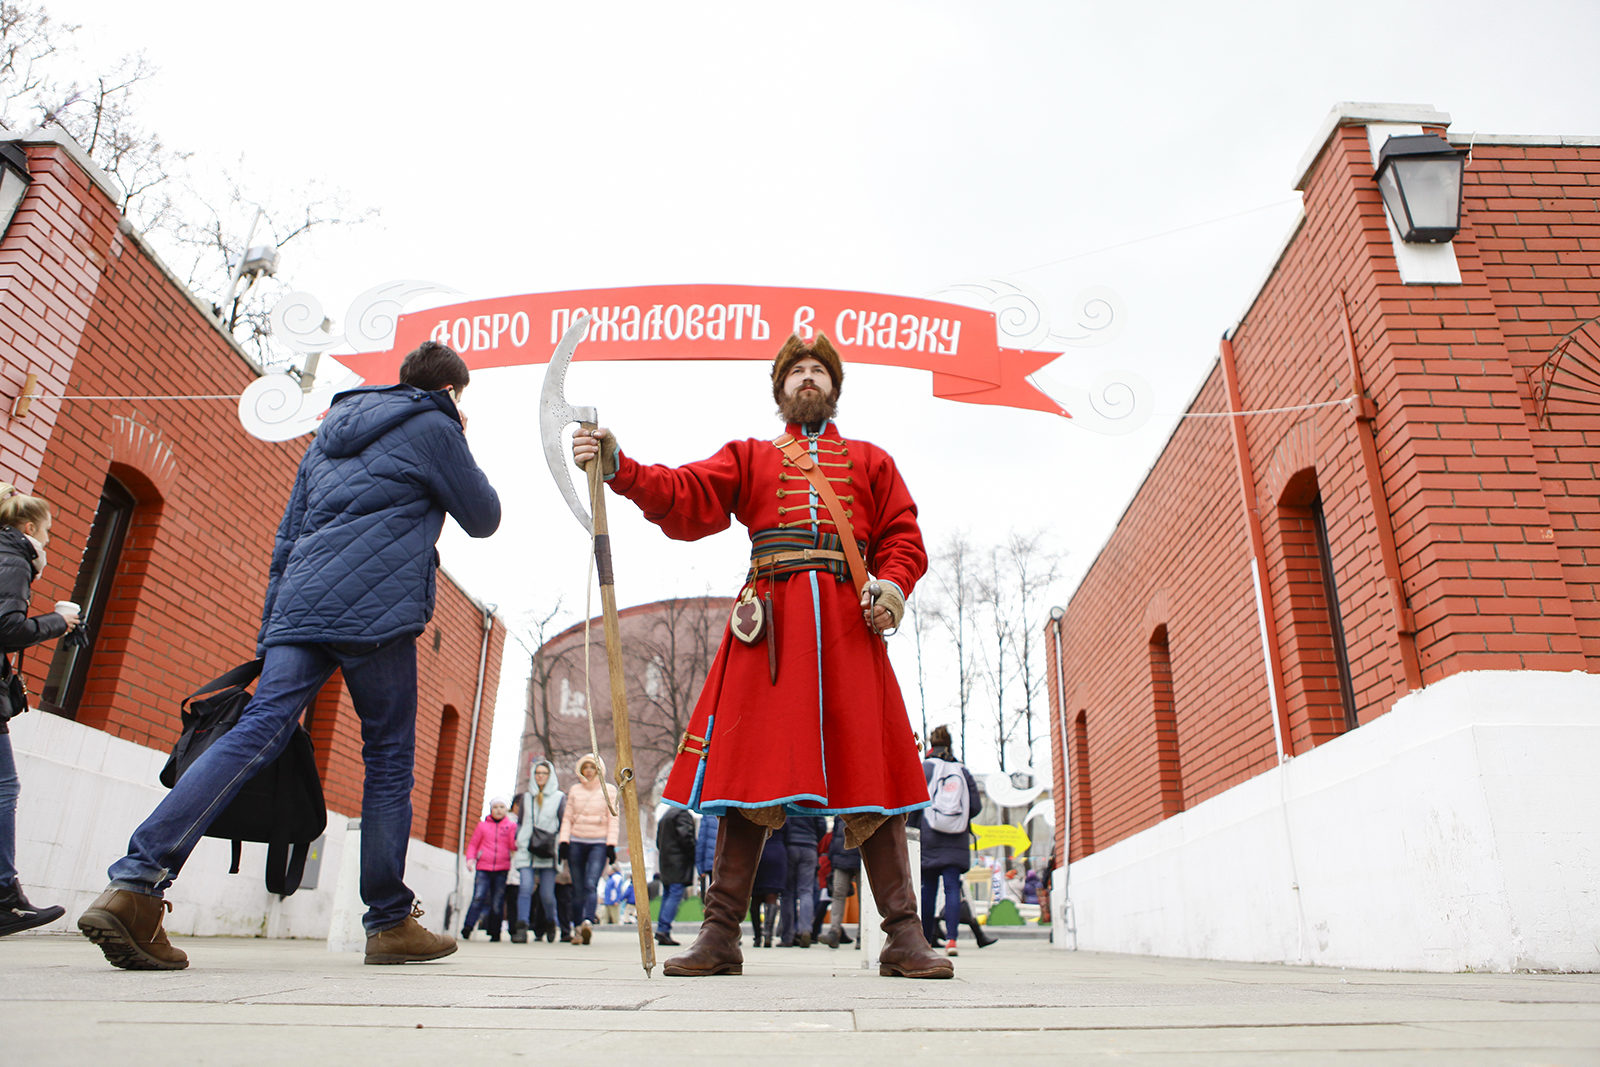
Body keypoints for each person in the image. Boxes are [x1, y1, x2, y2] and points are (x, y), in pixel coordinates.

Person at [79, 341, 501, 970]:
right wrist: (457, 434)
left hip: (300, 604)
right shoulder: (437, 424)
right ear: (449, 391)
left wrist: (272, 625)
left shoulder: (331, 427)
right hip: (377, 610)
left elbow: (288, 531)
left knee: (255, 730)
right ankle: (388, 921)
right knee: (387, 757)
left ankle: (136, 883)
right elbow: (484, 516)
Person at [571, 334, 950, 979]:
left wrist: (891, 586)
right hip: (769, 631)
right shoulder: (750, 457)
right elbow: (687, 494)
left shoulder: (871, 460)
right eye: (796, 371)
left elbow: (901, 535)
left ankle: (904, 935)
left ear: (834, 387)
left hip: (848, 629)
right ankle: (719, 936)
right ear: (780, 391)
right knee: (750, 780)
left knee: (874, 775)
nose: (808, 378)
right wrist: (620, 468)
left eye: (818, 372)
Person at [0, 485, 81, 937]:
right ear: (28, 528)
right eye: (47, 534)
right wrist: (59, 622)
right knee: (4, 789)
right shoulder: (12, 559)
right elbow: (7, 628)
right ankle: (4, 897)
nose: (47, 544)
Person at [920, 725, 981, 957]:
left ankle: (925, 940)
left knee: (928, 889)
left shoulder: (925, 768)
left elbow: (915, 803)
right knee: (952, 887)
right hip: (956, 838)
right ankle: (952, 940)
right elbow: (975, 805)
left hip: (929, 837)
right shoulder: (962, 770)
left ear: (931, 744)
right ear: (950, 744)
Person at [557, 753, 617, 945]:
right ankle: (577, 929)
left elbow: (613, 818)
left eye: (593, 767)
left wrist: (611, 845)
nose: (589, 771)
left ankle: (587, 921)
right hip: (576, 840)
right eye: (586, 767)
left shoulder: (609, 790)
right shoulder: (574, 790)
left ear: (599, 770)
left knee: (591, 883)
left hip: (598, 842)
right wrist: (563, 841)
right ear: (581, 770)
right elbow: (567, 817)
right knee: (577, 888)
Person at [511, 758, 564, 944]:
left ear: (550, 776)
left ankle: (551, 922)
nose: (540, 776)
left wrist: (561, 845)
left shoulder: (559, 798)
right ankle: (522, 928)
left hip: (548, 849)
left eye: (544, 773)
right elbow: (521, 822)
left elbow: (562, 823)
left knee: (547, 894)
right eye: (537, 773)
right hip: (526, 848)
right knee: (525, 888)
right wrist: (519, 840)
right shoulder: (526, 797)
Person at [461, 798, 517, 942]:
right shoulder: (482, 826)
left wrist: (513, 833)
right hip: (483, 867)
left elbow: (513, 846)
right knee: (479, 897)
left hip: (502, 868)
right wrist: (470, 858)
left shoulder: (510, 826)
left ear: (506, 810)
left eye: (502, 807)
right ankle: (468, 926)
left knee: (497, 901)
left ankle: (495, 931)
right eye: (495, 807)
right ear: (491, 810)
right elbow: (473, 844)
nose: (498, 810)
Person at [779, 812, 824, 947]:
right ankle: (805, 930)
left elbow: (781, 821)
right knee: (806, 891)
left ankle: (788, 936)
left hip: (790, 846)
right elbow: (821, 824)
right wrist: (814, 838)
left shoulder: (789, 796)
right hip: (810, 847)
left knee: (788, 894)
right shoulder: (813, 798)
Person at [654, 804, 696, 947]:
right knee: (675, 894)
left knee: (667, 894)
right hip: (678, 862)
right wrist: (693, 853)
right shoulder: (682, 815)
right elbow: (686, 838)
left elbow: (658, 842)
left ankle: (662, 928)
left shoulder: (666, 816)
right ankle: (663, 929)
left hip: (666, 861)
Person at [821, 814, 861, 949]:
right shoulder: (840, 813)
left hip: (856, 858)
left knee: (861, 899)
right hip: (842, 859)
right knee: (838, 894)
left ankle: (862, 935)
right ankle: (834, 931)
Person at [751, 823, 788, 949]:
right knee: (772, 895)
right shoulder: (781, 810)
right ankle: (768, 935)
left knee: (755, 898)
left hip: (758, 850)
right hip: (777, 852)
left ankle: (757, 936)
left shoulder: (757, 809)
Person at [694, 811, 719, 902]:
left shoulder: (708, 816)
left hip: (710, 863)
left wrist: (700, 867)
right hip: (725, 863)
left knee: (710, 894)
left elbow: (701, 842)